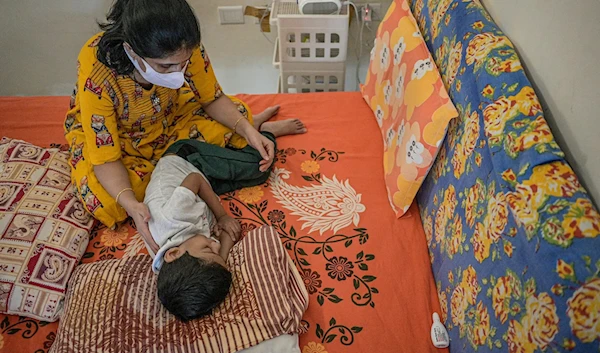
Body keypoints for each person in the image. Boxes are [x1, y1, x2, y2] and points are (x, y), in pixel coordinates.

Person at [64, 0, 306, 248]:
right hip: (120, 138)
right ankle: (248, 131)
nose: (178, 73)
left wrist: (247, 131)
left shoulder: (186, 46)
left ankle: (257, 128)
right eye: (165, 66)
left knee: (238, 115)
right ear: (132, 51)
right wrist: (131, 205)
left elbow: (212, 98)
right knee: (111, 203)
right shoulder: (98, 70)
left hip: (169, 116)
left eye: (184, 63)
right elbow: (105, 158)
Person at [146, 131, 279, 321]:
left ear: (173, 253)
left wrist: (222, 216)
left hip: (186, 159)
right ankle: (236, 141)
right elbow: (227, 236)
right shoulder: (182, 262)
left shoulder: (174, 216)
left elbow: (194, 178)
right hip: (203, 189)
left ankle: (263, 131)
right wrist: (220, 257)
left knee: (257, 166)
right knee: (251, 179)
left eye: (209, 248)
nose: (215, 244)